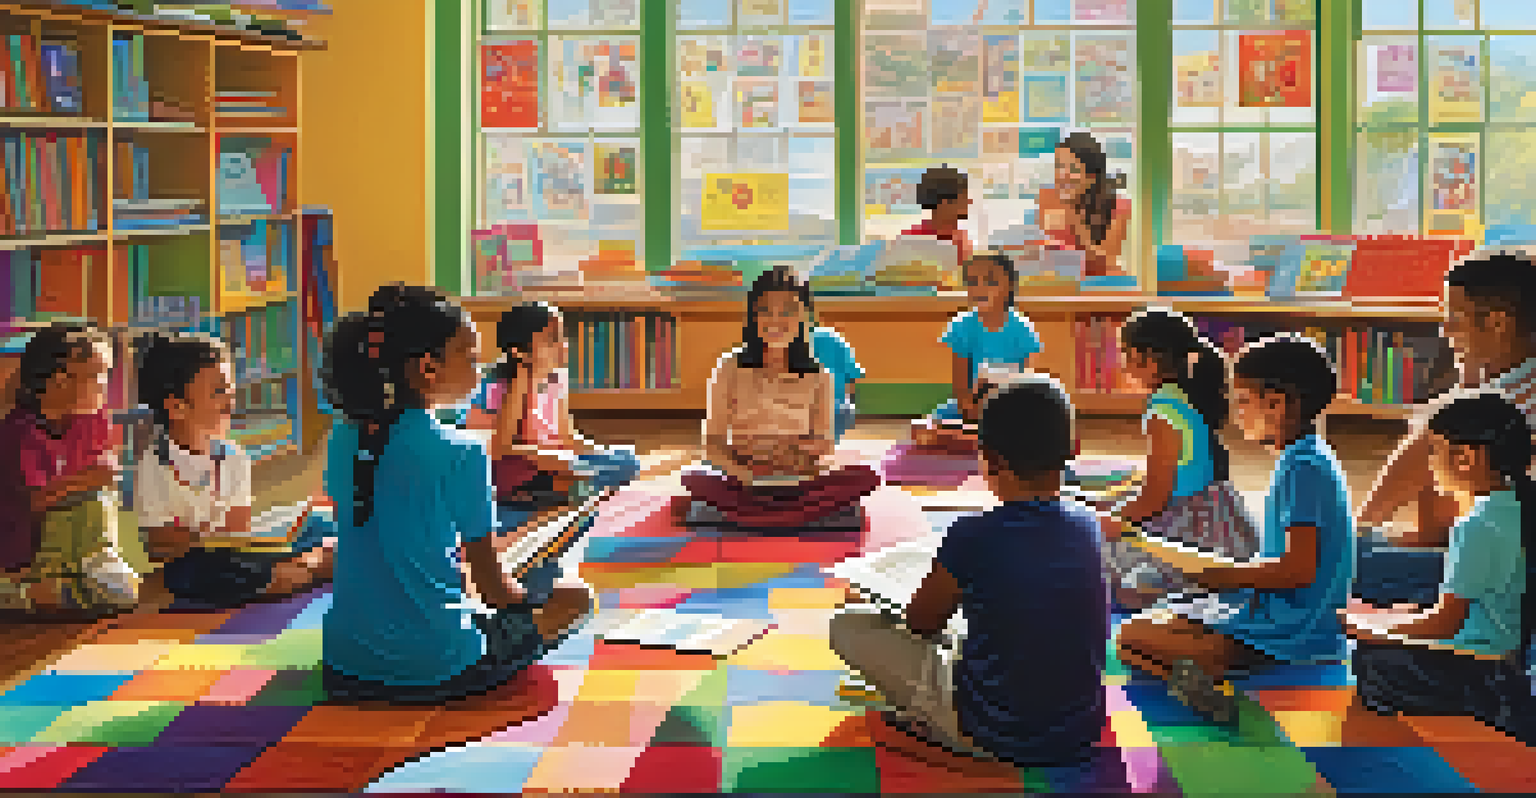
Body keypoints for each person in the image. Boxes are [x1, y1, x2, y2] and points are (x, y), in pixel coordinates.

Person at [319, 284, 591, 704]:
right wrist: (523, 598)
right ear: (429, 368)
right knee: (573, 597)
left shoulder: (341, 437)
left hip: (345, 665)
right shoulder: (462, 452)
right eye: (470, 356)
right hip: (438, 665)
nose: (480, 369)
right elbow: (491, 586)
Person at [831, 376, 1107, 765]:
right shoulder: (1088, 523)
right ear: (1074, 450)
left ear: (988, 459)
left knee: (848, 624)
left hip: (995, 729)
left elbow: (921, 623)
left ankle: (940, 731)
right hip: (1080, 727)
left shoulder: (972, 534)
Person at [1113, 335, 1353, 723]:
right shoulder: (1303, 456)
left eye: (1242, 401)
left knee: (1132, 636)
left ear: (1276, 404)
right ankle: (1197, 682)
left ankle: (1215, 681)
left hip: (1293, 632)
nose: (1235, 411)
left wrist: (1220, 576)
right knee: (1134, 635)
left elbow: (1299, 570)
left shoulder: (1303, 468)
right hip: (1274, 614)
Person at [1342, 392, 1536, 746]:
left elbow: (1446, 623)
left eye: (1433, 450)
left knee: (1370, 661)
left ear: (1466, 458)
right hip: (1509, 651)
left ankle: (1483, 705)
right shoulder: (1515, 506)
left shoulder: (1476, 525)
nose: (1429, 462)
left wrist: (1372, 629)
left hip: (1484, 667)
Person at [1355, 253, 1536, 612]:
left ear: (1498, 323)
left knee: (1339, 566)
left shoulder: (1515, 400)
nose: (1446, 331)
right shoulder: (1493, 381)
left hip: (1510, 572)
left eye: (1456, 319)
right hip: (1470, 549)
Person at [134, 333, 334, 609]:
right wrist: (207, 537)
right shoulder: (155, 463)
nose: (231, 399)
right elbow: (158, 544)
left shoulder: (234, 457)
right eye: (218, 391)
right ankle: (313, 565)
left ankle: (312, 562)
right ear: (177, 407)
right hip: (195, 566)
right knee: (229, 573)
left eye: (230, 389)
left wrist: (257, 537)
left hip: (236, 554)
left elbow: (240, 531)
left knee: (320, 523)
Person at [681, 266, 881, 529]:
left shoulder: (821, 376)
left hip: (799, 481)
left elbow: (825, 445)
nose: (775, 319)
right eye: (765, 310)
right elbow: (713, 443)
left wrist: (796, 455)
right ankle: (792, 516)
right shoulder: (729, 366)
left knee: (865, 476)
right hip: (744, 481)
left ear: (805, 317)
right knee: (694, 478)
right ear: (752, 317)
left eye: (787, 311)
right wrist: (747, 474)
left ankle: (756, 516)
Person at [1101, 309, 1253, 610]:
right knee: (1111, 514)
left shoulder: (1162, 413)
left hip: (1192, 530)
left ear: (1148, 358)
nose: (1123, 363)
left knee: (1096, 548)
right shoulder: (1186, 395)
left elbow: (1155, 499)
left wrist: (1110, 520)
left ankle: (1142, 597)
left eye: (1126, 354)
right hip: (1219, 515)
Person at [0, 322, 138, 615]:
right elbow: (33, 502)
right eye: (96, 375)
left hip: (79, 548)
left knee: (122, 592)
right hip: (27, 549)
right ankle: (28, 589)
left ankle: (86, 574)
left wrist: (99, 475)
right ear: (58, 380)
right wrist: (86, 480)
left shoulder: (92, 419)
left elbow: (102, 468)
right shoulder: (20, 433)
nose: (104, 384)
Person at [912, 251, 1038, 452]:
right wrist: (968, 408)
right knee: (922, 430)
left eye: (989, 281)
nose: (979, 288)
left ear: (1009, 287)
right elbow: (960, 382)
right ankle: (981, 440)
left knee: (1037, 424)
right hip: (969, 407)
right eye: (972, 282)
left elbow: (1027, 381)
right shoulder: (962, 326)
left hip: (1010, 408)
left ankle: (981, 440)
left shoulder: (1022, 328)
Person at [1036, 132, 1131, 278]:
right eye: (1059, 166)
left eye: (1073, 169)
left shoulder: (1117, 206)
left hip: (1100, 284)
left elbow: (1104, 264)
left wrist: (1074, 215)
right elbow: (1043, 253)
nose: (1062, 175)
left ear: (1092, 176)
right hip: (1060, 282)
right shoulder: (1048, 197)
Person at [903, 165, 973, 269]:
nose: (969, 202)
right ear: (944, 202)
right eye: (964, 197)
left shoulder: (962, 239)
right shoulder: (914, 239)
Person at [809, 324, 864, 443]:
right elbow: (852, 376)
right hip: (837, 406)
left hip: (809, 407)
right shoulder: (831, 337)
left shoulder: (795, 341)